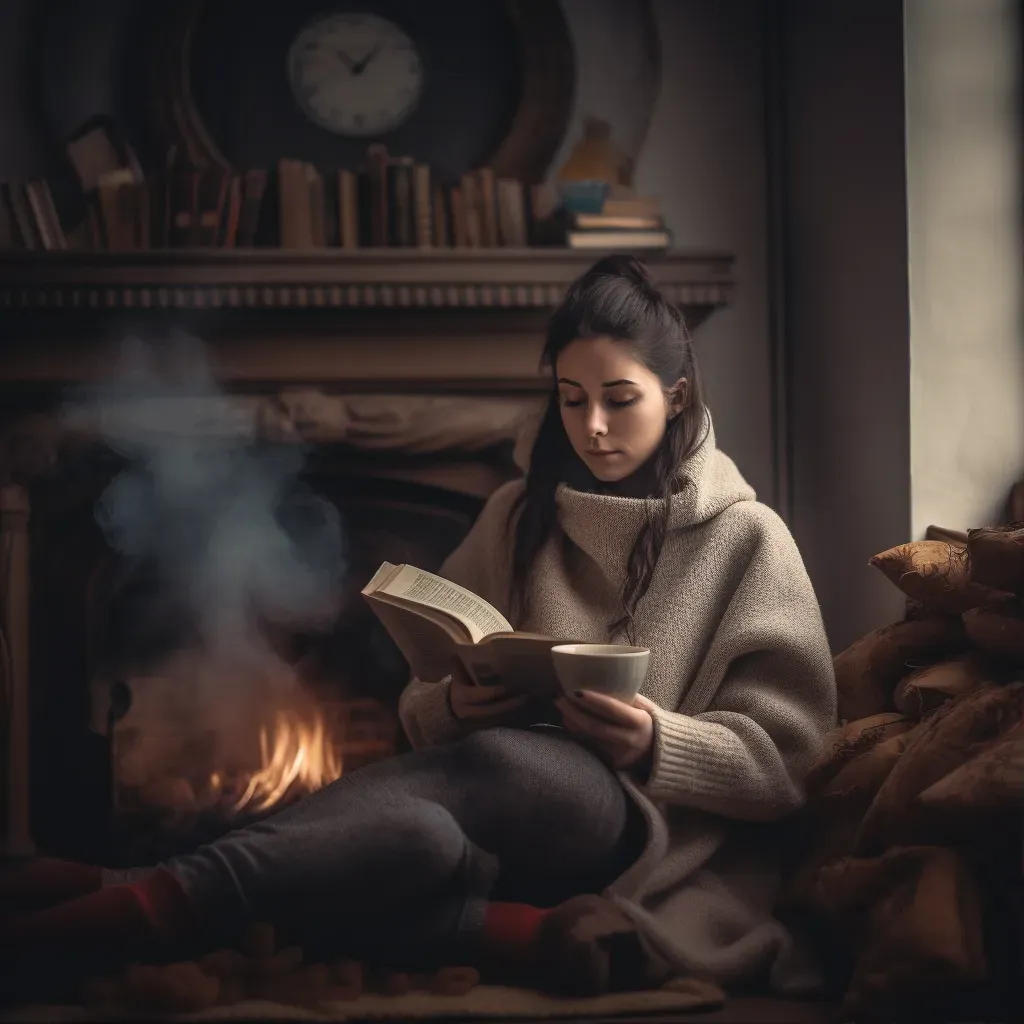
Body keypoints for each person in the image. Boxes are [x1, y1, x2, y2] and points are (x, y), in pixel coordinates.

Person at [0, 255, 836, 1001]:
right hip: (492, 799)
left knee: (507, 764)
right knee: (419, 839)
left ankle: (135, 889)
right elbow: (426, 697)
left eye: (621, 400)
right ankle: (140, 909)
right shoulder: (519, 513)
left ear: (677, 395)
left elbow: (794, 764)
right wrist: (454, 707)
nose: (594, 428)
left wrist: (655, 742)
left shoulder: (746, 539)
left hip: (631, 828)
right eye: (572, 400)